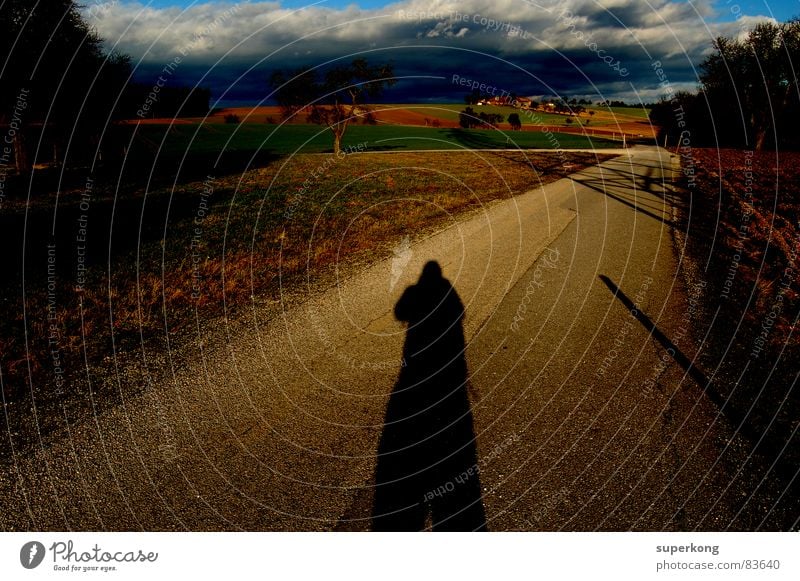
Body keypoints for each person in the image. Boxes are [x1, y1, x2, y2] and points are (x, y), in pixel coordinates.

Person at [372, 261, 486, 531]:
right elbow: (460, 317)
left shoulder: (415, 291)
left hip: (416, 367)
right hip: (446, 371)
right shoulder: (450, 293)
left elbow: (399, 313)